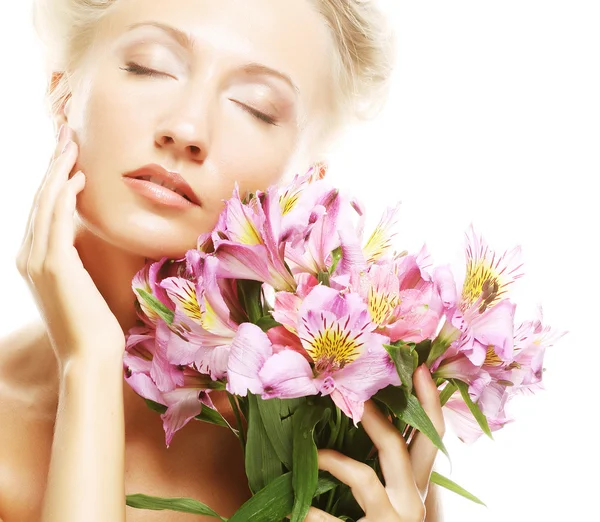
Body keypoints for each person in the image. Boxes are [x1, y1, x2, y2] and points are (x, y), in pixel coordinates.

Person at [0, 0, 446, 520]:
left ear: (303, 182)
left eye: (255, 106)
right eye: (150, 66)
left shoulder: (347, 440)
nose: (186, 128)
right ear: (63, 94)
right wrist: (92, 362)